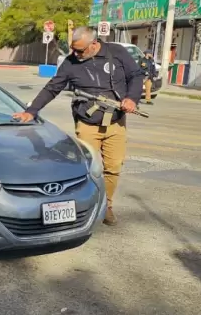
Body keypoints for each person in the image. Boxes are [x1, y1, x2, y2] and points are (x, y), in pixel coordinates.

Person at [12, 26, 144, 227]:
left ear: (94, 44)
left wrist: (131, 98)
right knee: (86, 167)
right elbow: (53, 87)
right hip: (87, 122)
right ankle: (86, 206)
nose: (75, 54)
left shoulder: (116, 52)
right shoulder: (71, 62)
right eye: (73, 49)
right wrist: (32, 111)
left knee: (113, 167)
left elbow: (136, 75)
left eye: (80, 50)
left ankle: (106, 205)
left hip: (116, 121)